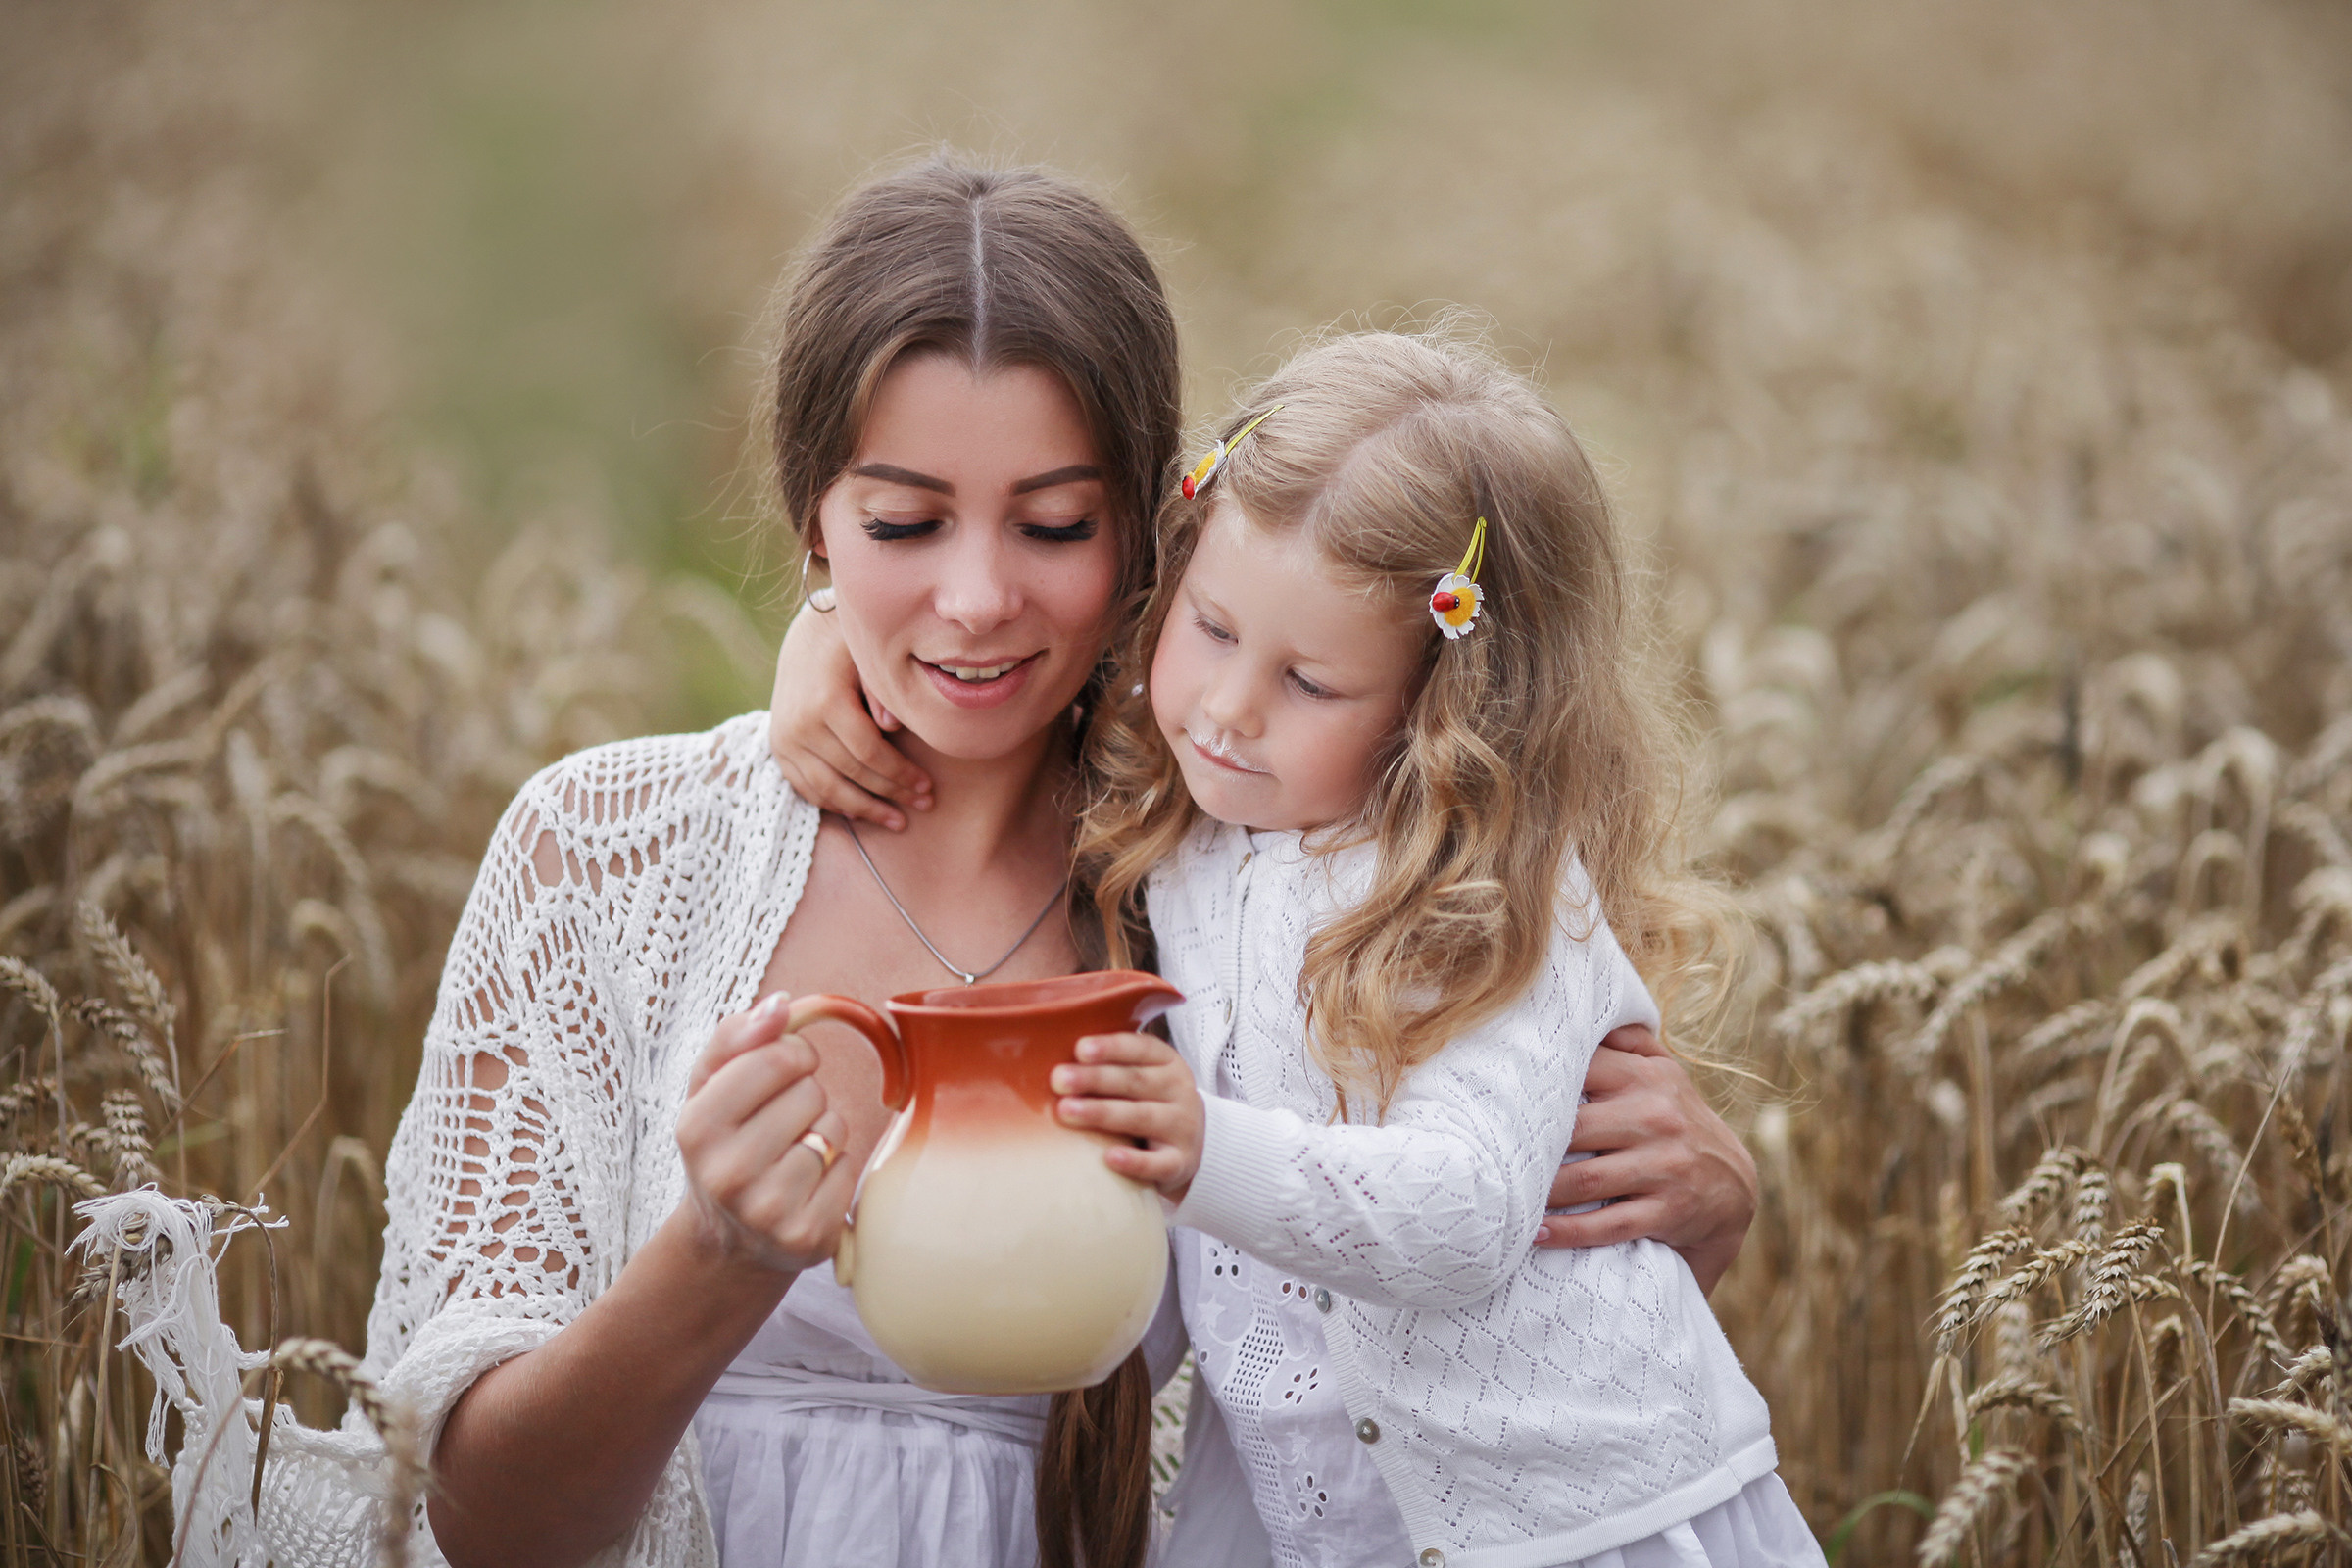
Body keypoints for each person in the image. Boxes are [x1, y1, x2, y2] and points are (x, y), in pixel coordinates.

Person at [360, 156, 1756, 1568]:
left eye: (1054, 526)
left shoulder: (1246, 874)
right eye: (903, 523)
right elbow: (475, 1521)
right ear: (812, 519)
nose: (976, 599)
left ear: (1154, 533)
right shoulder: (606, 855)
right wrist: (714, 1258)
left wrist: (1685, 1214)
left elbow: (1458, 1305)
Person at [1050, 333, 1823, 1567]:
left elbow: (1465, 1216)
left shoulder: (1497, 898)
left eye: (1310, 682)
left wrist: (1203, 1148)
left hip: (1576, 1523)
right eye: (1210, 625)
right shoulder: (1185, 830)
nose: (1229, 707)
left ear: (1445, 707)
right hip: (1307, 1518)